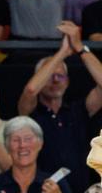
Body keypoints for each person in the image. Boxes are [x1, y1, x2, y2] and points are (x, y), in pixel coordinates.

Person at [18, 22, 102, 180]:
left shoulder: (78, 109)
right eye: (50, 76)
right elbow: (30, 90)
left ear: (68, 81)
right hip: (43, 192)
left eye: (60, 76)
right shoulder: (31, 112)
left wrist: (80, 48)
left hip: (80, 190)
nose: (55, 81)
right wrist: (62, 52)